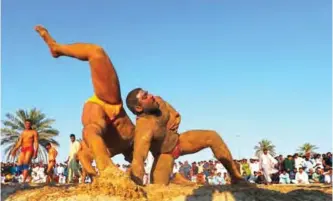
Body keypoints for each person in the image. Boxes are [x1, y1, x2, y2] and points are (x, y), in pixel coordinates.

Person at [35, 25, 136, 181]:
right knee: (96, 52)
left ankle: (105, 172)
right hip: (110, 103)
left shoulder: (110, 149)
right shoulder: (137, 135)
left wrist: (93, 173)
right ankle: (57, 48)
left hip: (98, 111)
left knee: (91, 131)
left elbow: (83, 155)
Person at [126, 88, 244, 185]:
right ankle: (176, 180)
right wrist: (134, 183)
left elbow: (174, 113)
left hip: (180, 141)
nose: (150, 95)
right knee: (158, 187)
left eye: (147, 93)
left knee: (212, 136)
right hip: (164, 154)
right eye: (145, 97)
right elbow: (139, 157)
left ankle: (236, 178)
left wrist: (175, 119)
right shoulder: (144, 127)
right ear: (139, 108)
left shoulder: (158, 101)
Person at [10, 119, 38, 184]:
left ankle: (23, 182)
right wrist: (14, 149)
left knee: (25, 163)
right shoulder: (23, 132)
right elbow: (19, 142)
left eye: (29, 123)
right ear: (24, 124)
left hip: (30, 148)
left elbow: (36, 142)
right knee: (19, 164)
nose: (27, 125)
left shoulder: (34, 132)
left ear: (31, 124)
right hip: (23, 149)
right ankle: (28, 176)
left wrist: (36, 152)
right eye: (26, 123)